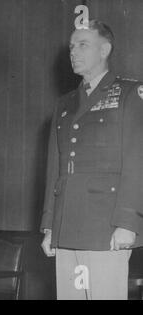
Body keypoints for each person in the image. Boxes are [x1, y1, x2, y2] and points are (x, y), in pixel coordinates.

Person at [40, 20, 143, 300]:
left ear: (105, 49)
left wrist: (128, 222)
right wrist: (50, 225)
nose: (73, 51)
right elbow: (55, 169)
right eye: (72, 46)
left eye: (83, 44)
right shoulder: (65, 103)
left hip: (106, 226)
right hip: (68, 225)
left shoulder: (130, 94)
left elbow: (137, 162)